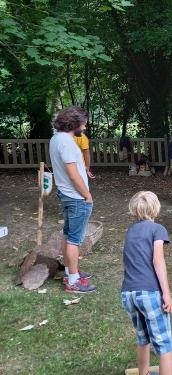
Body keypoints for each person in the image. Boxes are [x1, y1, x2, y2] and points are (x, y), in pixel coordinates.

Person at [121, 191, 172, 375]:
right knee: (164, 343)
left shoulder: (131, 230)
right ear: (156, 208)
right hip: (149, 294)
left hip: (128, 294)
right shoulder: (157, 229)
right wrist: (166, 294)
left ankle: (143, 373)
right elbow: (158, 261)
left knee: (143, 338)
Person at [49, 106, 96, 293]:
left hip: (66, 194)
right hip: (76, 197)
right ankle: (73, 282)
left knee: (68, 234)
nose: (84, 128)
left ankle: (70, 271)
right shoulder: (66, 142)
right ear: (74, 122)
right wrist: (86, 194)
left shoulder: (56, 139)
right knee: (74, 239)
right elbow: (73, 174)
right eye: (83, 124)